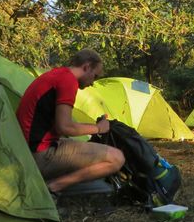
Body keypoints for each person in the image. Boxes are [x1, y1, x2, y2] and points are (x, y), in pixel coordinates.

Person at [16, 49, 125, 194]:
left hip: (24, 150)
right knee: (116, 158)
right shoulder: (68, 81)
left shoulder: (57, 74)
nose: (93, 83)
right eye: (95, 76)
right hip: (38, 155)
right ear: (86, 67)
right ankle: (52, 188)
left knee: (88, 149)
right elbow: (65, 127)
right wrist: (98, 128)